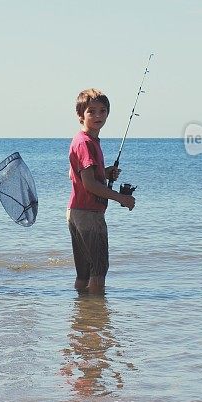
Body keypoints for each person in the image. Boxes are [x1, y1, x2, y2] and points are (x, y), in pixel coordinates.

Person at [67, 88, 135, 295]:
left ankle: (83, 315)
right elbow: (89, 185)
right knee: (98, 270)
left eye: (103, 111)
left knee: (84, 272)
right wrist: (120, 198)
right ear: (80, 115)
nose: (98, 116)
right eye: (92, 111)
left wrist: (104, 173)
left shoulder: (83, 140)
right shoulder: (86, 143)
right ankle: (97, 318)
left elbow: (75, 174)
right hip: (88, 214)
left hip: (76, 211)